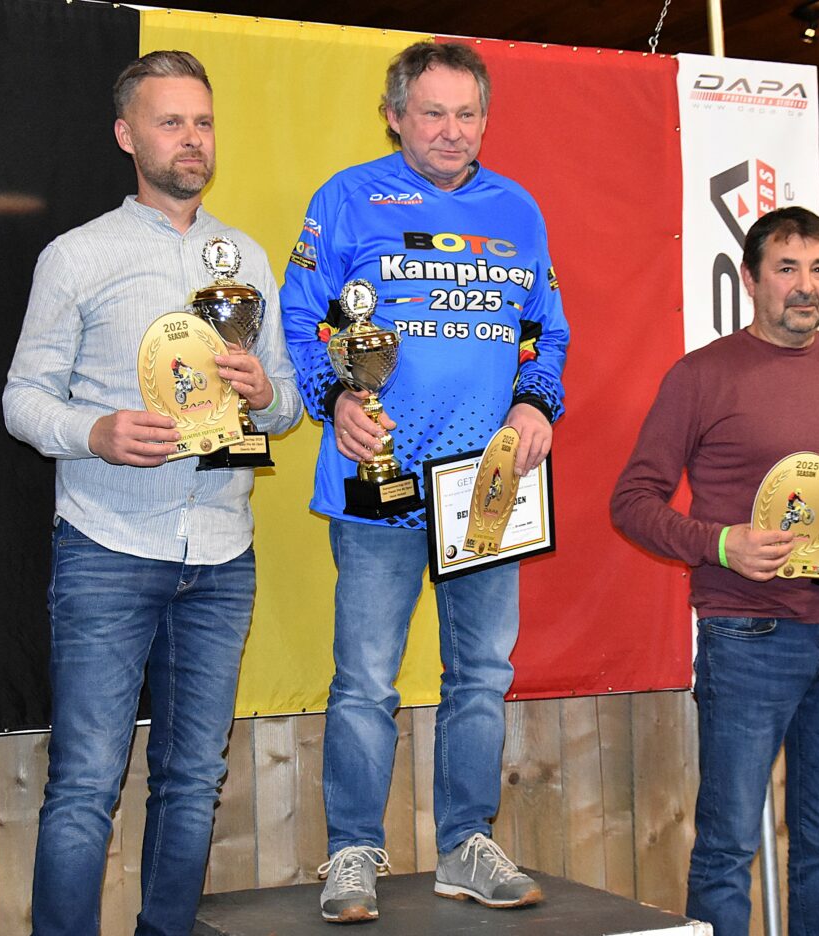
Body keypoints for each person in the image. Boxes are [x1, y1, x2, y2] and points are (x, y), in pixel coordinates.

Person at [3, 50, 302, 936]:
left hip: (222, 553)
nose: (192, 139)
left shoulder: (245, 258)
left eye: (202, 122)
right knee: (86, 782)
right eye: (171, 123)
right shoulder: (77, 256)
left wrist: (264, 392)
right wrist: (94, 432)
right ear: (127, 136)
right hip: (106, 546)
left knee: (194, 779)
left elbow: (286, 404)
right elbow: (22, 398)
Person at [279, 40, 568, 925]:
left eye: (466, 113)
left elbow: (545, 331)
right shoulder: (345, 198)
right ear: (394, 116)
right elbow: (302, 314)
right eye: (432, 113)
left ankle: (465, 845)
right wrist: (334, 399)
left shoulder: (517, 209)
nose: (451, 130)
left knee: (480, 673)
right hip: (379, 484)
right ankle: (351, 852)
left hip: (487, 485)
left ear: (485, 118)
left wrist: (535, 404)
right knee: (365, 679)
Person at [611, 207, 819, 935]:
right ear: (750, 280)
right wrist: (723, 546)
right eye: (786, 269)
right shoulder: (701, 375)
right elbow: (632, 502)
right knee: (726, 847)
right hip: (746, 636)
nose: (805, 286)